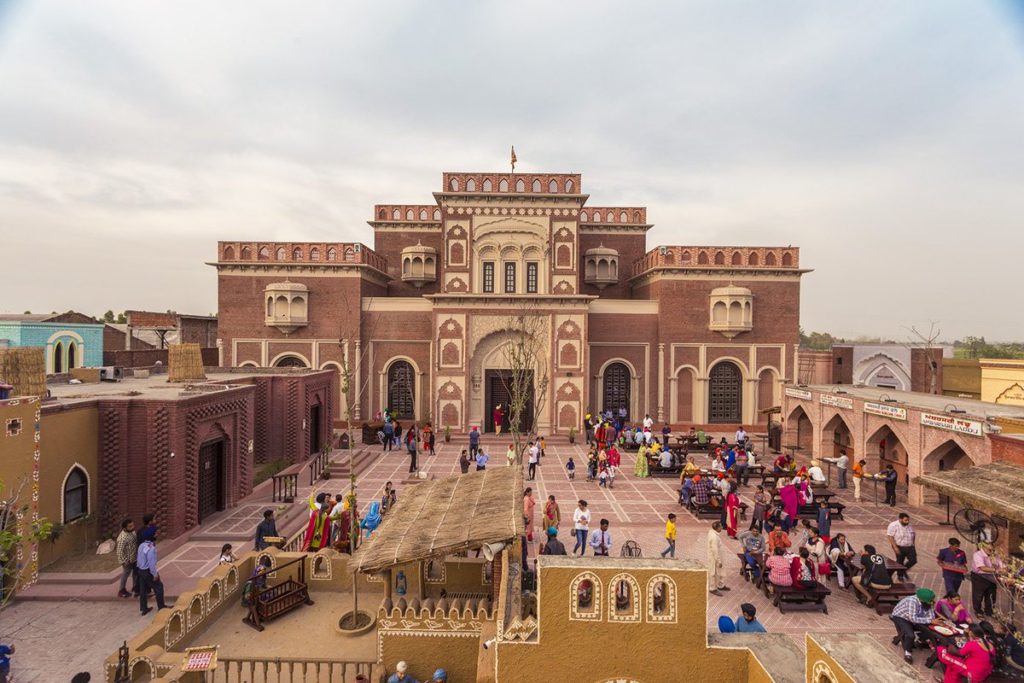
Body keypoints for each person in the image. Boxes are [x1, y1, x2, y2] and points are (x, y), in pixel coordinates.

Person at [890, 588, 940, 664]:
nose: (933, 602)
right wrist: (930, 621)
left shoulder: (928, 602)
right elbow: (912, 619)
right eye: (931, 601)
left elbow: (930, 615)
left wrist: (933, 621)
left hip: (915, 617)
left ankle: (919, 638)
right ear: (922, 601)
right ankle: (908, 653)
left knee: (930, 630)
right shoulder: (912, 601)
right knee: (910, 635)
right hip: (901, 617)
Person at [137, 527, 166, 615]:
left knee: (143, 589)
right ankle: (161, 607)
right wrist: (154, 574)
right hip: (148, 571)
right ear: (152, 535)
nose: (157, 535)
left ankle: (144, 608)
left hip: (140, 570)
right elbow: (151, 563)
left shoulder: (141, 545)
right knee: (158, 587)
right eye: (155, 533)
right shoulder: (151, 548)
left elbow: (138, 558)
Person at [971, 542, 1001, 617]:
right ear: (983, 548)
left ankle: (989, 611)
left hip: (992, 577)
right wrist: (996, 570)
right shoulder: (977, 555)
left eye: (992, 549)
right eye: (989, 549)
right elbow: (982, 568)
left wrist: (1003, 568)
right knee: (978, 595)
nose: (991, 551)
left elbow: (1001, 564)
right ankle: (978, 611)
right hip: (980, 576)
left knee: (991, 595)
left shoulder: (994, 555)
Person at [887, 512, 917, 580]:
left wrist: (913, 544)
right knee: (900, 561)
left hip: (910, 546)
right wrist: (895, 547)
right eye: (905, 520)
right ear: (900, 519)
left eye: (908, 520)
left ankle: (903, 570)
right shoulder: (893, 525)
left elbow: (913, 534)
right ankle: (899, 575)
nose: (907, 522)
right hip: (899, 546)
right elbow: (890, 536)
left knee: (913, 560)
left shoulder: (909, 525)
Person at [116, 518, 138, 598]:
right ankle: (121, 590)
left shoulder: (132, 532)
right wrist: (124, 561)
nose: (132, 527)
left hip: (134, 558)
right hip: (127, 560)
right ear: (125, 528)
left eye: (132, 525)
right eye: (130, 526)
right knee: (126, 573)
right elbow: (119, 551)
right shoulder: (122, 538)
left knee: (135, 573)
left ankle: (135, 588)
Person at [706, 521, 728, 595]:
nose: (722, 527)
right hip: (714, 557)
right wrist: (718, 561)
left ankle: (720, 585)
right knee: (713, 573)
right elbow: (715, 550)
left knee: (721, 571)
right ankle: (712, 588)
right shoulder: (714, 537)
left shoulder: (712, 532)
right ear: (717, 528)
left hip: (718, 555)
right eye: (721, 526)